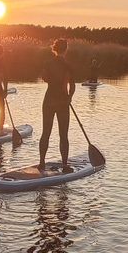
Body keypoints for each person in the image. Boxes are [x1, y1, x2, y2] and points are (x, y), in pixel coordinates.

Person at [38, 39, 76, 173]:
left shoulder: (47, 63)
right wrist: (69, 98)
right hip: (62, 101)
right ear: (66, 49)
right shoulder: (68, 65)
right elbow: (72, 86)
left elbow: (45, 78)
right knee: (63, 135)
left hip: (48, 99)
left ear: (54, 49)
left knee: (45, 133)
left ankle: (41, 163)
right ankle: (65, 166)